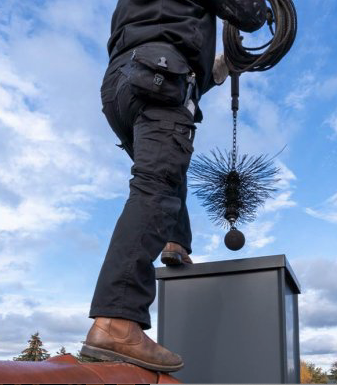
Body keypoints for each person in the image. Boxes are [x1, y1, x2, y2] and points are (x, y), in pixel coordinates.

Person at [81, 0, 266, 373]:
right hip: (157, 75)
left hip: (124, 84)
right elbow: (250, 14)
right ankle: (117, 321)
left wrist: (214, 71)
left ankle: (175, 243)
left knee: (166, 169)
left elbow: (164, 37)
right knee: (157, 185)